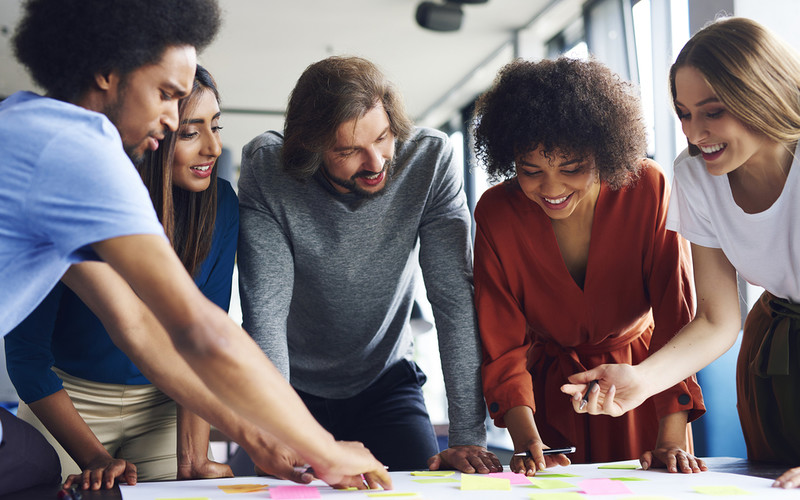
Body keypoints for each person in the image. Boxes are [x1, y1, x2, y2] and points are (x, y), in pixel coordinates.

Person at [0, 0, 390, 494]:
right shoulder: (78, 151)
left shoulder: (29, 125)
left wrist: (260, 438)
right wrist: (324, 448)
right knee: (36, 469)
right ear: (105, 72)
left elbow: (136, 325)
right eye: (166, 94)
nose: (168, 118)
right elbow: (200, 330)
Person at [560, 17, 800, 489]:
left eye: (713, 112)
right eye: (684, 114)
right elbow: (716, 318)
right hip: (776, 356)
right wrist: (641, 381)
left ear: (762, 94)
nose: (695, 133)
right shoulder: (694, 176)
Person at [237, 55, 501, 474]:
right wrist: (277, 430)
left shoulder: (429, 161)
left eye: (382, 138)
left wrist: (469, 435)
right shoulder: (268, 169)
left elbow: (453, 301)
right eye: (349, 151)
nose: (376, 162)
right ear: (311, 147)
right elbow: (264, 311)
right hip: (291, 389)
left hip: (386, 382)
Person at [471, 57, 706, 474]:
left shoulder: (647, 189)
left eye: (572, 168)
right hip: (546, 399)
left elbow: (677, 320)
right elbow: (502, 344)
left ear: (603, 149)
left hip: (643, 385)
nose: (552, 188)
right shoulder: (496, 213)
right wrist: (528, 441)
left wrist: (670, 438)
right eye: (531, 171)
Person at [5, 65, 235, 487]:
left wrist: (195, 458)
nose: (214, 148)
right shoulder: (72, 194)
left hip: (165, 402)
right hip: (70, 400)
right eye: (190, 132)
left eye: (216, 127)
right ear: (152, 132)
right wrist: (93, 456)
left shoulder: (221, 207)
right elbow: (27, 358)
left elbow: (204, 340)